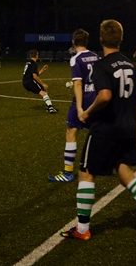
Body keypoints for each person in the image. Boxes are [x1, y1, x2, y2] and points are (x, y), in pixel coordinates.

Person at [60, 19, 136, 241]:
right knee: (124, 171)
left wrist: (86, 112)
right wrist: (124, 101)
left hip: (106, 127)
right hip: (128, 126)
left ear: (101, 39)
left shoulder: (102, 65)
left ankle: (82, 229)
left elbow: (105, 96)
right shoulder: (128, 64)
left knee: (86, 172)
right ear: (121, 39)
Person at [49, 28, 98, 183]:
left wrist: (79, 107)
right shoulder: (95, 56)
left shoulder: (75, 58)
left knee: (71, 130)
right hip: (96, 99)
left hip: (83, 100)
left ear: (73, 42)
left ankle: (68, 172)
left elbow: (78, 84)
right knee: (99, 132)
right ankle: (115, 163)